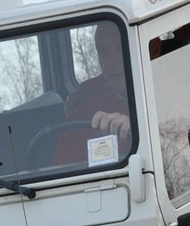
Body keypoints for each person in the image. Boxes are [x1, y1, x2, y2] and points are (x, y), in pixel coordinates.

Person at [54, 24, 132, 165]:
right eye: (103, 51)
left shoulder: (166, 96)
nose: (111, 60)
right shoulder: (79, 120)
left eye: (120, 48)